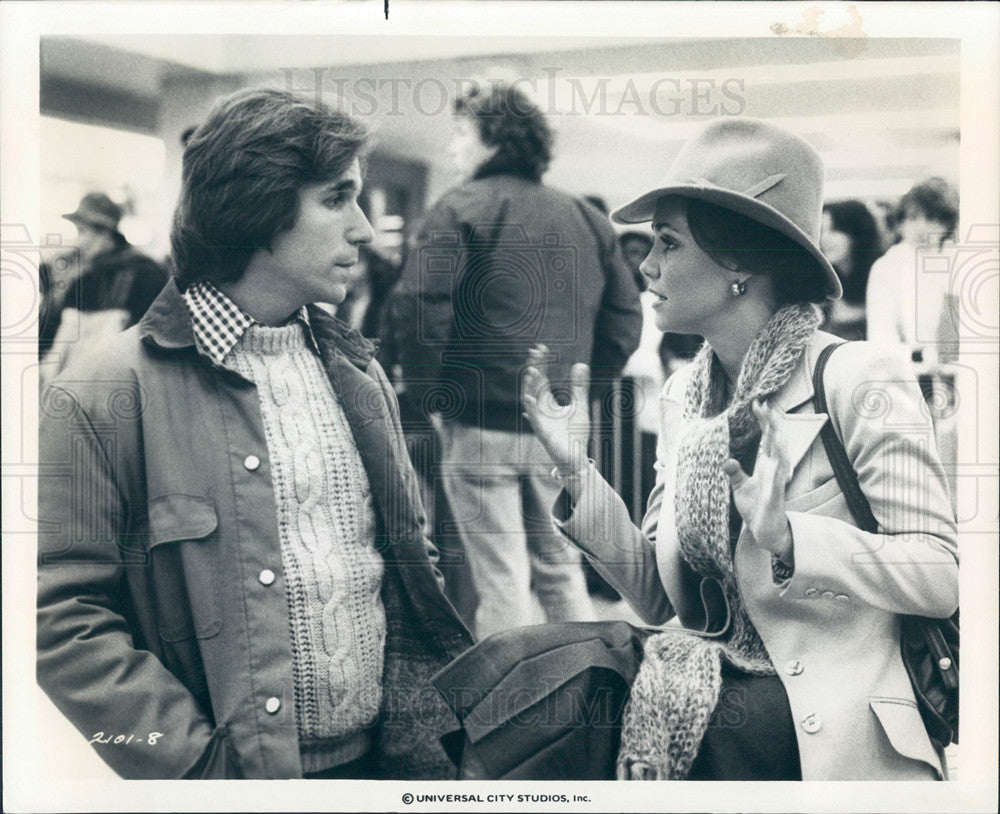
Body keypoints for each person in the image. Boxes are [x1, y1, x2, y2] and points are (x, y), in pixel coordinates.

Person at [37, 87, 473, 780]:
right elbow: (61, 617)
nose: (362, 228)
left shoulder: (360, 376)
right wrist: (196, 769)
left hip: (386, 767)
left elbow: (411, 561)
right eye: (337, 198)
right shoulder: (102, 391)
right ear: (257, 207)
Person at [521, 118, 958, 780]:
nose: (647, 265)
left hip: (830, 742)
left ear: (740, 266)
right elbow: (662, 602)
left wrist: (794, 541)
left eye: (668, 243)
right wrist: (575, 473)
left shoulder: (856, 377)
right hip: (722, 718)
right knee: (542, 677)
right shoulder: (685, 399)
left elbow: (940, 575)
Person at [388, 81, 642, 639]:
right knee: (561, 566)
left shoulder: (456, 208)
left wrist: (433, 398)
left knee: (501, 579)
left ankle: (506, 717)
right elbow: (624, 320)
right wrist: (578, 399)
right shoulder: (587, 216)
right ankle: (588, 692)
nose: (454, 148)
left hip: (479, 421)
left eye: (461, 133)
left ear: (493, 139)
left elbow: (421, 309)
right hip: (561, 425)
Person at [39, 192, 166, 383]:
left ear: (104, 233)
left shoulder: (144, 275)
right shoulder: (82, 274)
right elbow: (48, 329)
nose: (78, 242)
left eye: (82, 231)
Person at [865, 177, 960, 366]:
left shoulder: (958, 263)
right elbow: (880, 335)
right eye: (913, 218)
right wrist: (920, 356)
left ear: (946, 225)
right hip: (906, 370)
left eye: (931, 219)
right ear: (900, 223)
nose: (921, 227)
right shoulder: (885, 267)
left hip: (957, 371)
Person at [819, 199, 884, 340]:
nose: (825, 238)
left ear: (856, 234)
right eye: (822, 230)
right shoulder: (824, 284)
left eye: (835, 230)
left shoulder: (881, 276)